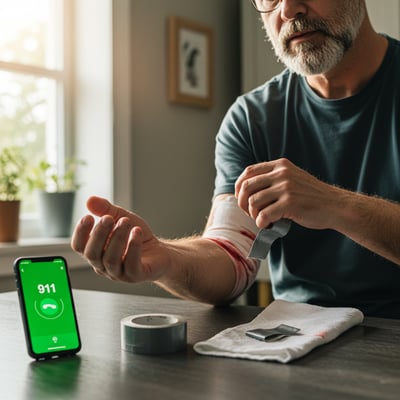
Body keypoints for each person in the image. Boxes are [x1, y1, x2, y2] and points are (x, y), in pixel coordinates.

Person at [71, 0, 400, 318]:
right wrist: (167, 259)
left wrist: (333, 204)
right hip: (300, 340)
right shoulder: (252, 118)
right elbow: (232, 256)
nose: (288, 9)